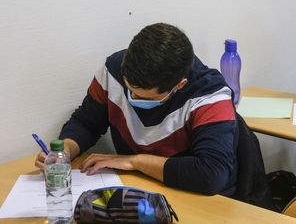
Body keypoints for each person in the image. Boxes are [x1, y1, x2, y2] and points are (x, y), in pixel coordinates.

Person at [35, 23, 239, 196]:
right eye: (129, 89)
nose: (132, 98)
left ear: (179, 85)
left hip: (192, 194)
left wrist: (135, 162)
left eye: (143, 96)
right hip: (140, 187)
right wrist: (65, 152)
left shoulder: (211, 95)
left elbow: (211, 174)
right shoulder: (114, 69)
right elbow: (86, 122)